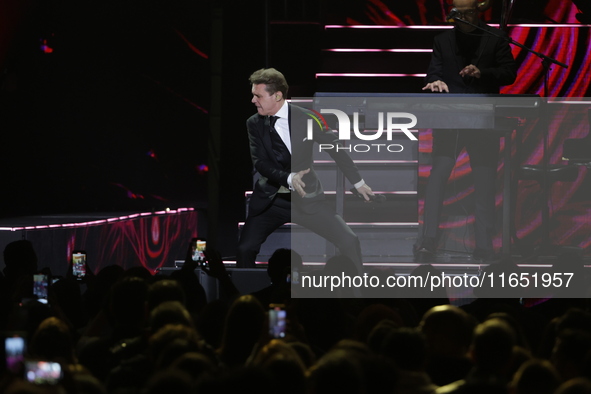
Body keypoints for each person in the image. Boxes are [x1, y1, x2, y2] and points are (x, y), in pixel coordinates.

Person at [236, 68, 374, 273]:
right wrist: (289, 178)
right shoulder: (254, 123)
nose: (253, 100)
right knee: (244, 249)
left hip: (307, 199)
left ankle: (357, 296)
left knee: (349, 241)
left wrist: (358, 182)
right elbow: (260, 163)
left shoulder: (308, 118)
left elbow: (336, 149)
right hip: (271, 200)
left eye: (258, 95)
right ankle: (247, 300)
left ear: (277, 95)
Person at [417, 0, 517, 262]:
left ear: (477, 11)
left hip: (483, 119)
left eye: (466, 13)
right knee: (438, 176)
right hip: (450, 119)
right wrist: (434, 81)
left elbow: (509, 73)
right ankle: (428, 241)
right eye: (456, 14)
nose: (460, 18)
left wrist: (482, 72)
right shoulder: (442, 40)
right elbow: (432, 73)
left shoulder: (495, 38)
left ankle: (484, 245)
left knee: (484, 181)